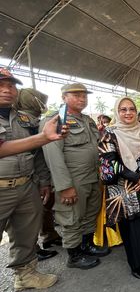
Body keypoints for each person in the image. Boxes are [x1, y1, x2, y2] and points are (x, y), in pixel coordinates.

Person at [0, 68, 59, 290]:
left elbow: (37, 154)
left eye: (11, 85)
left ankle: (25, 275)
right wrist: (42, 137)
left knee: (26, 234)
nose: (7, 89)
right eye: (1, 85)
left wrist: (44, 181)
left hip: (26, 184)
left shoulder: (23, 119)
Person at [41, 83, 110, 270]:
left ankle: (87, 245)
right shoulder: (55, 120)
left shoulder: (87, 120)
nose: (82, 98)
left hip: (93, 176)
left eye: (84, 96)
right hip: (73, 179)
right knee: (71, 217)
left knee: (90, 213)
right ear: (64, 97)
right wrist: (65, 186)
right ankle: (74, 255)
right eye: (76, 95)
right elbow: (53, 156)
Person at [99, 97, 140, 278]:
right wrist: (137, 177)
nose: (128, 113)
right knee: (132, 224)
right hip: (124, 186)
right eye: (123, 109)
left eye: (131, 109)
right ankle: (136, 264)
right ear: (117, 112)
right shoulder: (109, 134)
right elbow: (110, 164)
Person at [14, 88, 63, 261]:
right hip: (27, 173)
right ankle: (32, 249)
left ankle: (48, 234)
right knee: (29, 215)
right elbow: (36, 152)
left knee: (43, 206)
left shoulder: (31, 119)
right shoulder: (24, 119)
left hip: (36, 172)